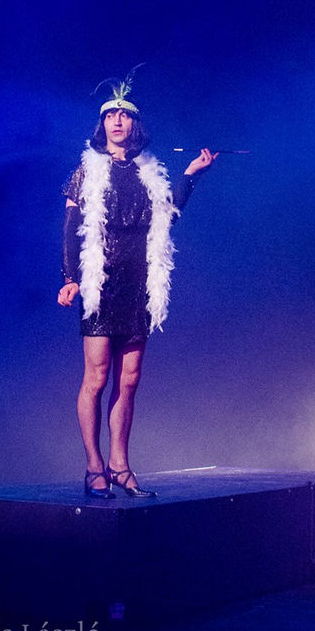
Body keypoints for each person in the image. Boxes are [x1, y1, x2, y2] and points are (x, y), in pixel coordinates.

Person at [58, 70, 218, 498]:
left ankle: (120, 465)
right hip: (100, 284)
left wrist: (191, 174)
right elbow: (71, 226)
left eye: (124, 115)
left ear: (135, 124)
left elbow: (167, 218)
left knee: (128, 380)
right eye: (110, 115)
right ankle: (93, 467)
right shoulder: (86, 171)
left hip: (138, 285)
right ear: (102, 124)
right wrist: (69, 278)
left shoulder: (150, 172)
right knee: (96, 377)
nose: (117, 121)